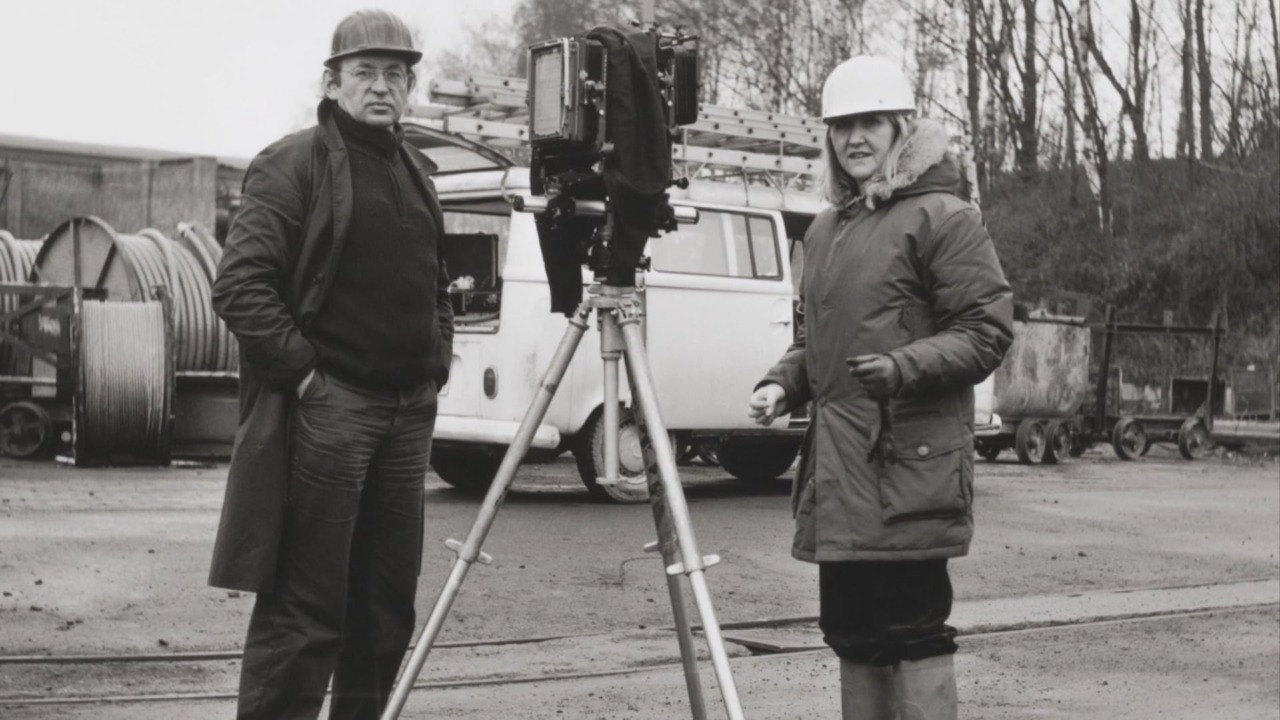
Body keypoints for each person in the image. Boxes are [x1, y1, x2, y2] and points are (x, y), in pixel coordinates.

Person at [748, 55, 1013, 720]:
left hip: (906, 468)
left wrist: (903, 367)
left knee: (912, 631)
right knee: (851, 632)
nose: (855, 137)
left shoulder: (945, 217)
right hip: (839, 470)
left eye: (870, 123)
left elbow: (986, 331)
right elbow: (817, 344)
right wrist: (783, 385)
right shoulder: (827, 228)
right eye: (842, 126)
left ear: (901, 129)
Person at [207, 9, 453, 719]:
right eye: (366, 73)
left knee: (383, 608)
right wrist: (308, 375)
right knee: (307, 606)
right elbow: (239, 286)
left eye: (396, 76)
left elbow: (434, 277)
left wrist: (437, 356)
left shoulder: (415, 168)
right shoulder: (293, 163)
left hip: (407, 413)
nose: (383, 88)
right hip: (333, 408)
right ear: (334, 80)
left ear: (409, 87)